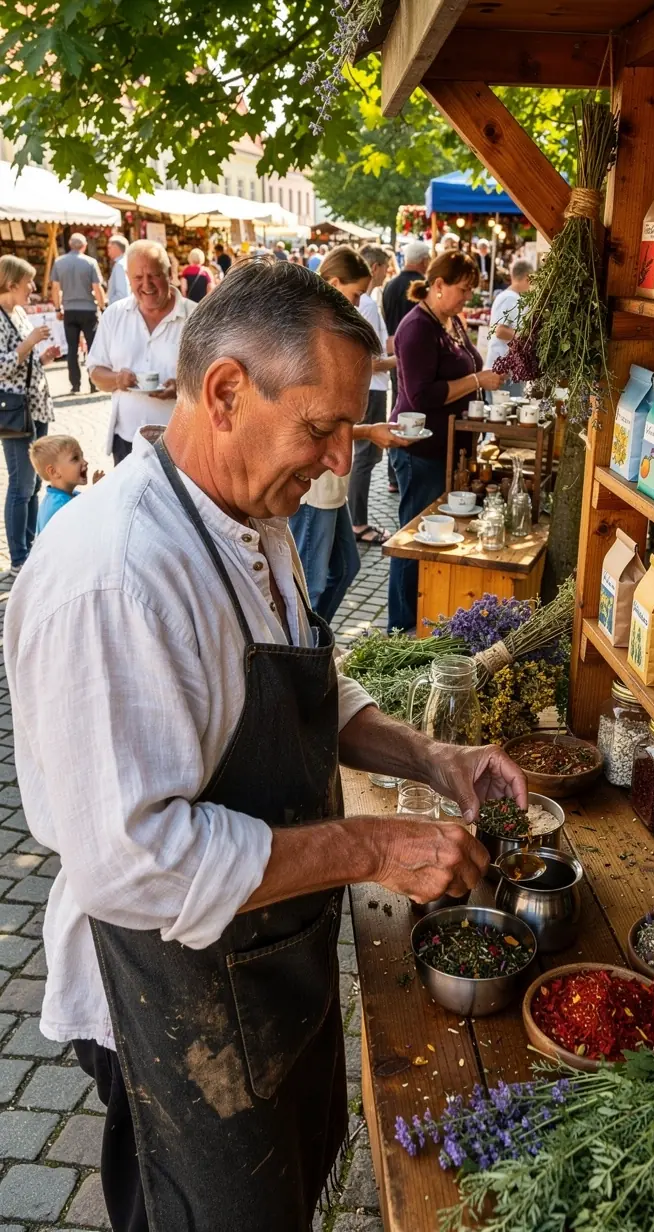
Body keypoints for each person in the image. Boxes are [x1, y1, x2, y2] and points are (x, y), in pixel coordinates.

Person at [4, 256, 521, 1232]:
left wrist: (431, 757)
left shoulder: (250, 510)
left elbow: (305, 681)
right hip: (166, 1000)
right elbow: (135, 861)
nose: (340, 460)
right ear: (227, 390)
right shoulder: (115, 575)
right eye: (322, 427)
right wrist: (371, 847)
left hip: (266, 957)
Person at [387, 250, 502, 633]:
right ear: (438, 285)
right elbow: (422, 396)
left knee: (429, 534)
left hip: (446, 447)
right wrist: (476, 382)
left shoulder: (449, 320)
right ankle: (401, 625)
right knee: (413, 537)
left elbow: (467, 362)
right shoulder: (417, 327)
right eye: (463, 290)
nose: (467, 298)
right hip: (421, 450)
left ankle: (422, 614)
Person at [289, 247, 407, 622]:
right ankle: (304, 652)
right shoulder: (307, 336)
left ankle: (317, 641)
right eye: (355, 294)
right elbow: (312, 423)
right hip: (313, 484)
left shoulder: (327, 332)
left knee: (344, 568)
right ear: (333, 283)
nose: (358, 303)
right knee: (310, 583)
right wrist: (369, 430)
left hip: (329, 485)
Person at [87, 240, 195, 465]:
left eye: (154, 275)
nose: (147, 285)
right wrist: (117, 379)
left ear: (169, 273)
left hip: (180, 444)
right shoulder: (114, 315)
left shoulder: (195, 317)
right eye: (138, 278)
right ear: (128, 277)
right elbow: (95, 371)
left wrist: (183, 388)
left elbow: (215, 379)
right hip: (126, 441)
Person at [0, 256, 60, 576]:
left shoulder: (20, 312)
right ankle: (18, 558)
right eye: (29, 283)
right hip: (13, 412)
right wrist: (29, 343)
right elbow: (1, 366)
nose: (33, 289)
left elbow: (24, 361)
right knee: (21, 485)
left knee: (36, 481)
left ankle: (32, 544)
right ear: (11, 284)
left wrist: (44, 357)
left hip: (36, 404)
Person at [349, 246, 397, 545]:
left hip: (375, 386)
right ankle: (358, 522)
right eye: (386, 267)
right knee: (365, 457)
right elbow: (367, 360)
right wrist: (400, 359)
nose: (387, 271)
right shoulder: (365, 303)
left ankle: (356, 519)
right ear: (375, 267)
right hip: (372, 386)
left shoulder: (368, 301)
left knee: (366, 456)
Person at [382, 240, 430, 493]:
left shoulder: (389, 285)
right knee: (409, 407)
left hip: (393, 355)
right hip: (412, 357)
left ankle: (392, 474)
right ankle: (403, 465)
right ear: (423, 261)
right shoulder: (420, 287)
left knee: (397, 407)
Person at [50, 233, 106, 395]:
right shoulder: (90, 262)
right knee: (92, 348)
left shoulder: (59, 262)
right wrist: (102, 307)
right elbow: (97, 288)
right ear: (84, 246)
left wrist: (57, 308)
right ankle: (93, 383)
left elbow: (55, 288)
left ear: (69, 244)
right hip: (88, 309)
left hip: (69, 310)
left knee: (72, 349)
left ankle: (75, 384)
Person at [30, 434, 104, 533]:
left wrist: (97, 489)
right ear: (54, 472)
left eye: (82, 456)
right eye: (75, 458)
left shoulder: (70, 496)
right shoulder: (61, 506)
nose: (85, 462)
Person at [485, 258, 533, 397]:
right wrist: (526, 339)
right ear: (526, 277)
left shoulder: (512, 298)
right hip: (502, 369)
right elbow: (500, 331)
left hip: (509, 369)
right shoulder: (510, 298)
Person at [106, 235, 130, 306]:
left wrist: (110, 305)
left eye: (109, 248)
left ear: (115, 248)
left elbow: (122, 294)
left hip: (119, 309)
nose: (108, 251)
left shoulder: (120, 265)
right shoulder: (125, 262)